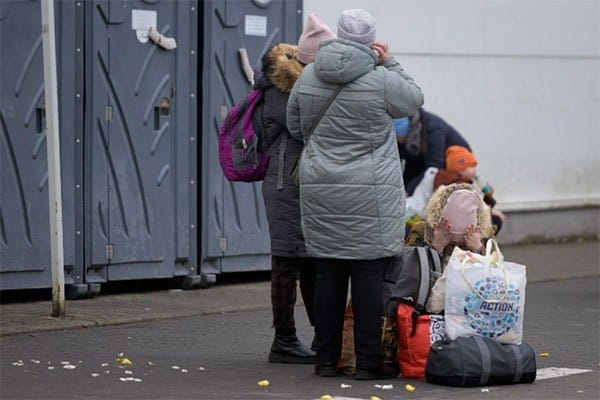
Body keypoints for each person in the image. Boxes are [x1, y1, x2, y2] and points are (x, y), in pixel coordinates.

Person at [286, 8, 424, 380]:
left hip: (321, 191)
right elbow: (414, 100)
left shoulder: (311, 74)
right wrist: (390, 61)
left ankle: (325, 360)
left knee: (328, 274)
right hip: (371, 195)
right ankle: (367, 363)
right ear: (369, 41)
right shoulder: (380, 79)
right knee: (367, 279)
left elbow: (295, 124)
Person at [253, 14, 336, 364]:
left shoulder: (293, 86)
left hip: (294, 182)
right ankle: (284, 339)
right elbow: (304, 128)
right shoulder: (284, 89)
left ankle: (321, 336)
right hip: (286, 184)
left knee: (308, 262)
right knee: (288, 262)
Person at [394, 109, 471, 196]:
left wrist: (408, 191)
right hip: (429, 163)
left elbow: (434, 167)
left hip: (457, 165)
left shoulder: (433, 130)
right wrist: (403, 190)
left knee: (440, 182)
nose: (397, 142)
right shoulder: (410, 137)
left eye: (398, 138)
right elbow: (411, 166)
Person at [432, 145, 506, 235]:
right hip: (459, 227)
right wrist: (490, 211)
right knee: (496, 220)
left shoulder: (454, 181)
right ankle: (480, 245)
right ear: (459, 168)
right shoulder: (459, 186)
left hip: (453, 224)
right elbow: (471, 209)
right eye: (471, 166)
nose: (475, 170)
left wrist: (488, 196)